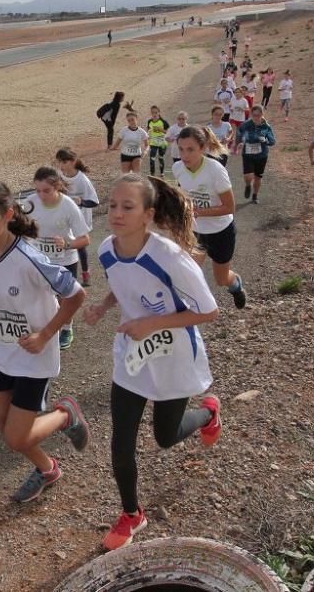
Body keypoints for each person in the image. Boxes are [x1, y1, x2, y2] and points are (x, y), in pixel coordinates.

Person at [83, 174, 222, 551]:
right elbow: (124, 281)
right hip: (133, 356)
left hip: (174, 355)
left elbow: (208, 311)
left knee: (165, 436)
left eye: (127, 207)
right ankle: (132, 513)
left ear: (148, 214)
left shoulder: (170, 257)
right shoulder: (106, 249)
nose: (116, 213)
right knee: (121, 440)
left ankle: (208, 414)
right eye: (112, 205)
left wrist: (150, 323)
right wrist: (103, 305)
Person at [0, 181, 90, 503]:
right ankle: (47, 469)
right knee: (6, 427)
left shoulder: (30, 259)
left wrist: (45, 335)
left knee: (16, 437)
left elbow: (76, 295)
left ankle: (65, 415)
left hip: (34, 355)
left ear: (8, 215)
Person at [172, 127, 247, 308]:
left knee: (221, 279)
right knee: (190, 273)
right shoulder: (177, 168)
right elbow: (180, 194)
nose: (184, 155)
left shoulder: (215, 170)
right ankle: (193, 311)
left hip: (221, 232)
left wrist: (198, 212)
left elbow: (230, 207)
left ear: (203, 148)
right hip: (196, 230)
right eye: (181, 149)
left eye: (190, 149)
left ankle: (236, 286)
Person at [26, 167, 92, 350]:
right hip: (39, 260)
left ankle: (66, 328)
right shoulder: (30, 203)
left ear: (57, 187)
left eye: (46, 190)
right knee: (39, 297)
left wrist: (67, 244)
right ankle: (41, 330)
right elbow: (20, 230)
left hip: (65, 260)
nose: (41, 195)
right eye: (38, 190)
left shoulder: (68, 205)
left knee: (65, 299)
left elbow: (85, 239)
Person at [56, 148, 100, 287]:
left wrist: (81, 202)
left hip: (81, 219)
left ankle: (86, 273)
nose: (62, 165)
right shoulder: (59, 176)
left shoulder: (82, 179)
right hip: (64, 218)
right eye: (59, 162)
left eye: (64, 162)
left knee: (80, 247)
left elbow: (95, 201)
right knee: (62, 245)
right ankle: (62, 274)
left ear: (73, 161)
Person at [236, 105, 276, 204]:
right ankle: (248, 185)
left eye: (258, 115)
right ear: (251, 115)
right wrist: (240, 142)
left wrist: (266, 140)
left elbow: (272, 141)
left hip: (262, 155)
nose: (256, 117)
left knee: (258, 177)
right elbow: (239, 134)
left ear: (262, 115)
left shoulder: (266, 126)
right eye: (254, 115)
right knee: (248, 176)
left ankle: (255, 195)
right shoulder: (245, 125)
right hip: (248, 154)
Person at [146, 105, 171, 178]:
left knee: (161, 158)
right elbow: (148, 130)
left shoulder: (163, 122)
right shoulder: (149, 121)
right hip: (153, 143)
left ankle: (162, 173)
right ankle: (152, 174)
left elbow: (169, 132)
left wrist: (160, 130)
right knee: (152, 158)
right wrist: (148, 134)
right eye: (152, 113)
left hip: (162, 143)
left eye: (156, 112)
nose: (154, 114)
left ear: (159, 113)